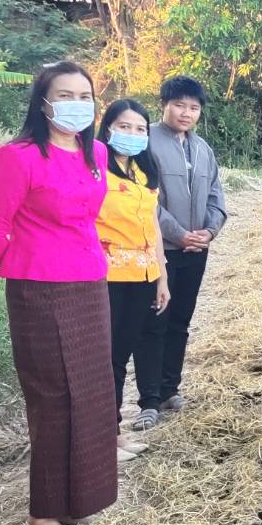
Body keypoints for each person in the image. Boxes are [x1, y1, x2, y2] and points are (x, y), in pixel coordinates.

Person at [0, 61, 117, 525]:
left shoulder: (95, 151)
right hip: (39, 290)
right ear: (43, 102)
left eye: (85, 95)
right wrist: (32, 262)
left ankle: (82, 499)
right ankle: (43, 514)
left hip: (90, 285)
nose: (77, 104)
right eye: (66, 94)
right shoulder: (18, 157)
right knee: (54, 399)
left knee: (94, 393)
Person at [145, 75, 227, 425]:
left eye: (193, 107)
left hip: (196, 249)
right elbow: (145, 201)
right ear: (164, 104)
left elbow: (215, 194)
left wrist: (210, 230)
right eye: (179, 105)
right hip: (160, 248)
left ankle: (169, 389)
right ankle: (147, 399)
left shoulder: (203, 149)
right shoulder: (145, 140)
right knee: (155, 321)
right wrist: (178, 234)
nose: (186, 113)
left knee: (180, 321)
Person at [94, 100, 171, 459]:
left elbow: (153, 225)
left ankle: (114, 431)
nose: (133, 134)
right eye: (124, 127)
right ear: (107, 128)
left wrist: (161, 277)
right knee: (105, 357)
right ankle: (102, 437)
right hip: (105, 276)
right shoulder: (94, 170)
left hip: (142, 274)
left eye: (141, 128)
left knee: (121, 355)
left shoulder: (143, 171)